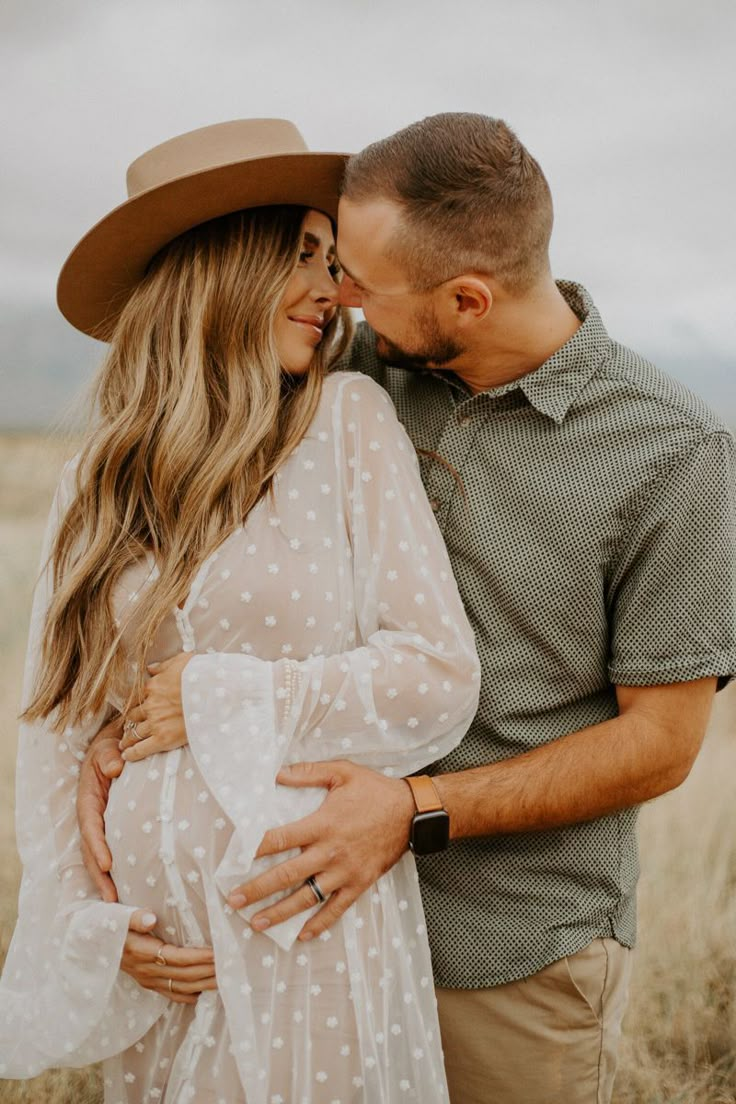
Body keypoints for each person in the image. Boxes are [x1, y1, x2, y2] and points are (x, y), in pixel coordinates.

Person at [79, 112, 736, 1104]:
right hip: (302, 927)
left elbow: (662, 745)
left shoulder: (670, 453)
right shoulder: (345, 373)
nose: (335, 296)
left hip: (505, 949)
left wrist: (414, 811)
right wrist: (126, 731)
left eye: (357, 280)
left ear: (465, 299)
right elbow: (207, 566)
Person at [0, 118, 481, 1103]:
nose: (329, 288)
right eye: (299, 256)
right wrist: (97, 919)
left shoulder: (347, 425)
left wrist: (218, 693)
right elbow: (56, 723)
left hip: (299, 924)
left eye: (330, 257)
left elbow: (436, 674)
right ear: (217, 270)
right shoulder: (102, 473)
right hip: (162, 959)